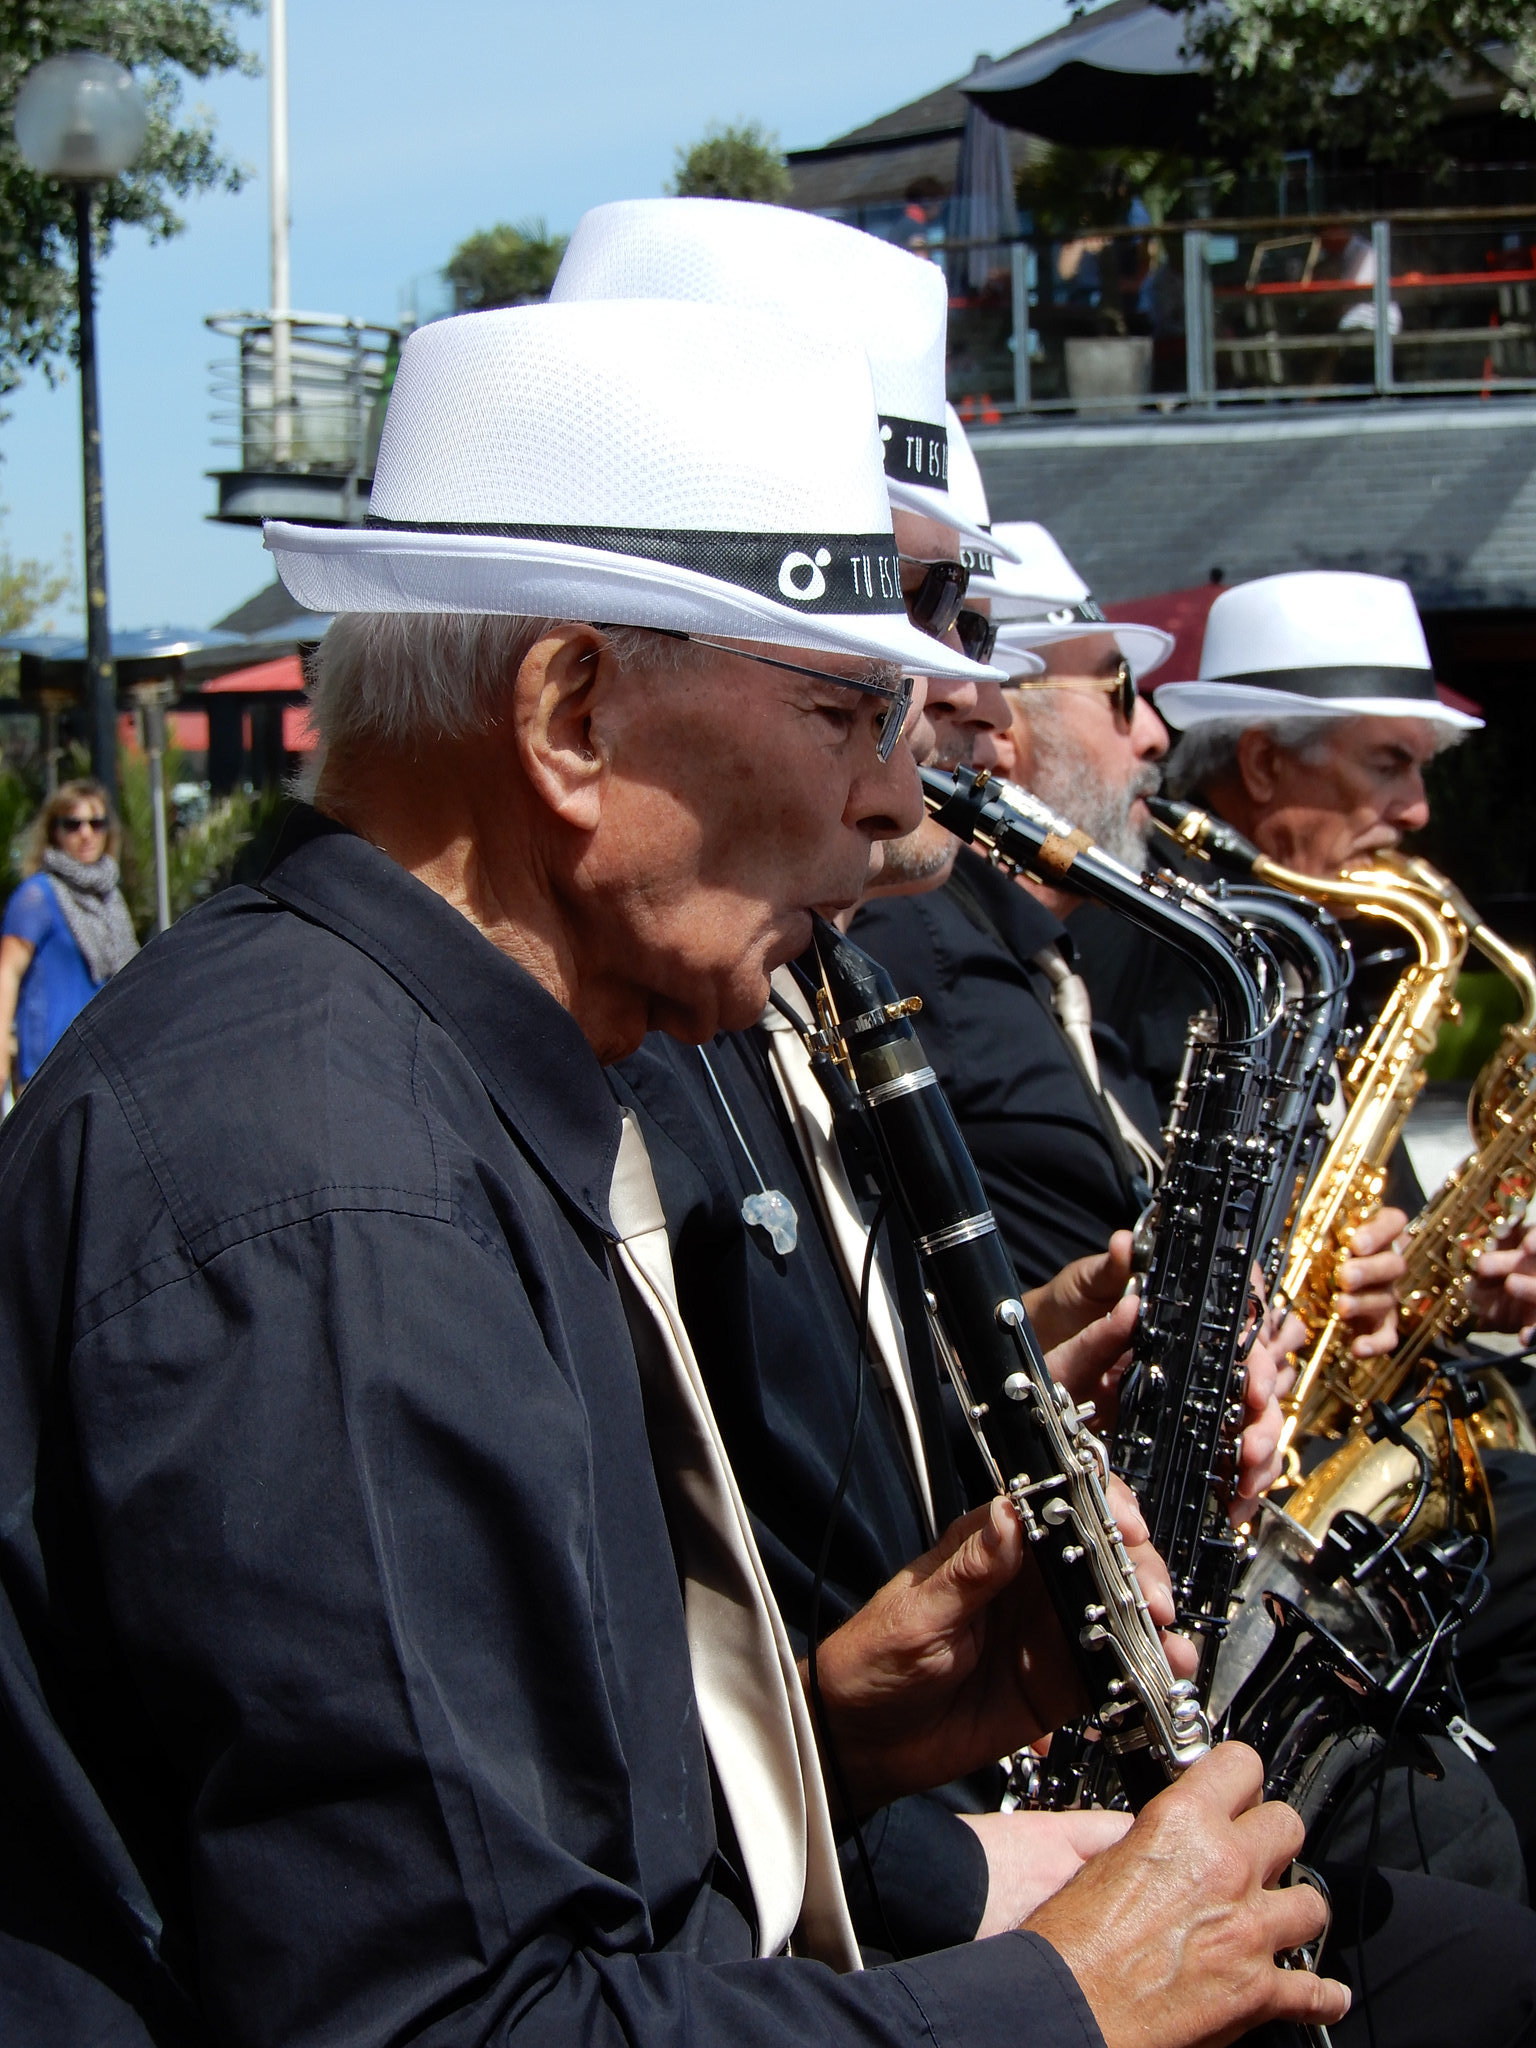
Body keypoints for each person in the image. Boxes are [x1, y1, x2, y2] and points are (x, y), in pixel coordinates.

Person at [0, 295, 1354, 2048]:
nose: (906, 808)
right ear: (570, 717)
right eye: (851, 710)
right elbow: (448, 2024)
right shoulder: (341, 1196)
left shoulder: (409, 1085)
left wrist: (832, 1726)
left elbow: (478, 1856)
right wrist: (1063, 1998)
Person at [0, 777, 138, 1095]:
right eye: (73, 824)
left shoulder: (111, 900)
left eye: (96, 823)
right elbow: (7, 972)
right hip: (46, 1071)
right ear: (55, 831)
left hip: (104, 1066)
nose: (86, 833)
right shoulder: (38, 895)